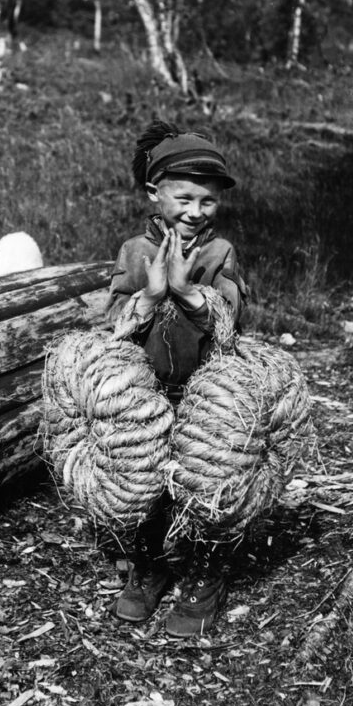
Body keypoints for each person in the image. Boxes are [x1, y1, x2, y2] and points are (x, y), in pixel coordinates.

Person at [106, 122, 247, 637]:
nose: (194, 212)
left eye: (207, 202)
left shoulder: (218, 253)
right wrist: (150, 294)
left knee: (203, 480)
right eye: (183, 197)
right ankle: (149, 564)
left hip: (205, 394)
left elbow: (231, 322)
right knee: (144, 480)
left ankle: (207, 569)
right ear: (154, 193)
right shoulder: (133, 252)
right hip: (144, 391)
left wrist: (188, 292)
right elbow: (113, 323)